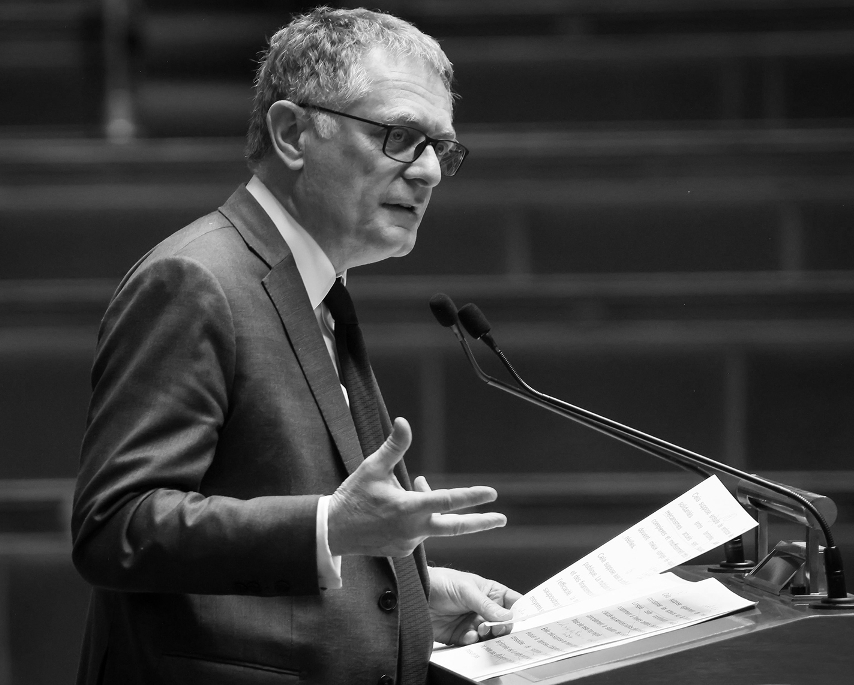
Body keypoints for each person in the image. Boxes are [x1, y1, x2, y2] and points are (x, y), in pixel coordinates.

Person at [71, 8, 519, 684]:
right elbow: (118, 526)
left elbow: (285, 520)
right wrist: (333, 527)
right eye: (401, 136)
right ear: (291, 133)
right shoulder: (197, 279)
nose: (427, 171)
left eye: (440, 148)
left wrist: (407, 593)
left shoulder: (317, 288)